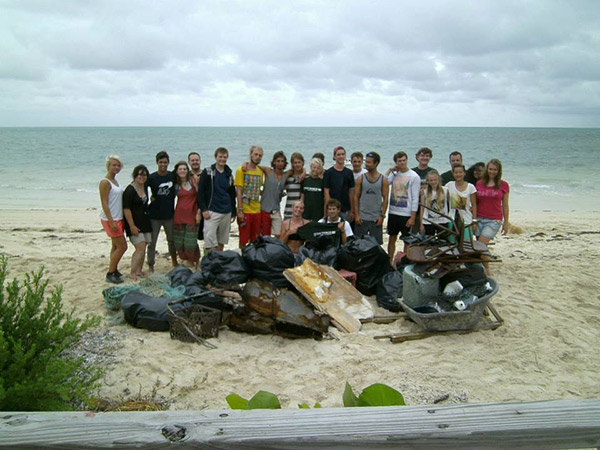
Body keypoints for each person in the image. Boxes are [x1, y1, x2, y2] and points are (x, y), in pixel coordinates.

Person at [198, 147, 237, 253]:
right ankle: (209, 262)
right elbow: (201, 192)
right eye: (220, 157)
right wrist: (203, 209)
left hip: (226, 211)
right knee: (209, 241)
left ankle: (219, 261)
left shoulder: (228, 174)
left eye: (224, 157)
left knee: (221, 240)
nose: (222, 159)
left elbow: (232, 194)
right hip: (212, 211)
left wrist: (234, 211)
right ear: (216, 157)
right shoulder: (208, 172)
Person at [476, 159, 510, 274]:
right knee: (479, 246)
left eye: (495, 170)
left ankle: (487, 270)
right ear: (487, 169)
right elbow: (475, 202)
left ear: (499, 171)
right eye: (490, 169)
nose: (492, 171)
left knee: (481, 244)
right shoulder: (480, 183)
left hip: (494, 220)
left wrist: (506, 223)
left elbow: (505, 205)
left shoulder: (504, 185)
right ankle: (481, 267)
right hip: (479, 218)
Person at [386, 151, 421, 260]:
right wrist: (390, 170)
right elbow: (384, 182)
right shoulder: (395, 176)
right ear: (396, 162)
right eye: (399, 161)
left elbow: (415, 197)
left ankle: (404, 262)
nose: (402, 163)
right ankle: (390, 261)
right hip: (393, 212)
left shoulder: (414, 176)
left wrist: (413, 216)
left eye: (403, 160)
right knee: (392, 238)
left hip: (406, 213)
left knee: (407, 241)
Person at [147, 151, 178, 272]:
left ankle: (174, 262)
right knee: (152, 242)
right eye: (161, 162)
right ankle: (150, 265)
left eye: (165, 162)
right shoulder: (152, 177)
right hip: (154, 215)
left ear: (168, 163)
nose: (163, 164)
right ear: (157, 163)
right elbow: (141, 188)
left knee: (172, 241)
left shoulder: (172, 176)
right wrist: (149, 199)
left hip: (169, 215)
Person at [99, 155, 127, 284]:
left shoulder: (115, 181)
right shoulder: (105, 182)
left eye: (118, 165)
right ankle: (110, 273)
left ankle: (114, 269)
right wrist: (111, 221)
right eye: (113, 165)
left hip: (118, 217)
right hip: (111, 219)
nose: (116, 167)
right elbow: (104, 203)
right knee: (122, 247)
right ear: (108, 166)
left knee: (115, 246)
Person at [122, 164, 152, 281]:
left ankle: (139, 270)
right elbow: (126, 209)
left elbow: (143, 205)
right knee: (139, 247)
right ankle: (132, 272)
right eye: (140, 174)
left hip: (144, 221)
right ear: (135, 175)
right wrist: (132, 226)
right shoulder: (129, 190)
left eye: (144, 175)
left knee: (144, 246)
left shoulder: (144, 188)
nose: (142, 177)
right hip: (133, 223)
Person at [354, 151, 389, 245]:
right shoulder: (360, 179)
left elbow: (385, 199)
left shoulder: (383, 180)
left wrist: (382, 216)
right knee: (359, 244)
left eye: (369, 162)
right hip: (362, 218)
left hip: (376, 219)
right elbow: (356, 197)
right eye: (366, 162)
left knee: (375, 246)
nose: (366, 164)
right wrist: (357, 215)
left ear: (376, 163)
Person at [235, 145, 264, 248]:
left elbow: (257, 189)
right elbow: (239, 191)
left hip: (257, 210)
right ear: (251, 154)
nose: (258, 157)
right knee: (243, 239)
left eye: (260, 155)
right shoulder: (241, 170)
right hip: (245, 210)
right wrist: (240, 210)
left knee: (255, 239)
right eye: (255, 154)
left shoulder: (260, 172)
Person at [172, 161, 200, 269]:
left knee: (191, 243)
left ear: (188, 171)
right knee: (179, 243)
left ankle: (196, 261)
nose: (182, 171)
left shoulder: (193, 181)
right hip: (179, 216)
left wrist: (199, 212)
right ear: (177, 171)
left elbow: (200, 197)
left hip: (192, 215)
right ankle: (189, 261)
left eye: (184, 169)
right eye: (180, 169)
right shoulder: (175, 184)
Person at [258, 151, 288, 239]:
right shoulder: (268, 171)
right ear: (274, 162)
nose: (280, 163)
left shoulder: (286, 175)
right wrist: (245, 164)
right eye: (278, 161)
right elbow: (254, 166)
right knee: (265, 236)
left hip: (276, 210)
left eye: (282, 161)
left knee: (279, 235)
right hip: (264, 209)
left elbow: (298, 170)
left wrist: (304, 171)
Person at [323, 146, 355, 222]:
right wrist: (328, 210)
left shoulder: (349, 173)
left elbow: (351, 192)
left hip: (345, 208)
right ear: (334, 156)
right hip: (332, 209)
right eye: (338, 154)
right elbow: (326, 193)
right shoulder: (329, 173)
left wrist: (352, 210)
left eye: (343, 154)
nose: (341, 156)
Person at [446, 164, 477, 238]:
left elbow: (474, 205)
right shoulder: (449, 185)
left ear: (464, 173)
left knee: (466, 243)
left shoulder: (471, 187)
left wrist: (474, 221)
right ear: (453, 174)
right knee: (452, 243)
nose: (458, 174)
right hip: (452, 219)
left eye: (460, 172)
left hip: (466, 220)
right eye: (456, 172)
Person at [419, 170, 450, 237]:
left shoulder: (446, 190)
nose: (433, 182)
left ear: (439, 179)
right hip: (428, 221)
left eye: (435, 180)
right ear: (428, 181)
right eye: (431, 180)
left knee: (443, 243)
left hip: (443, 221)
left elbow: (450, 205)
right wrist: (421, 223)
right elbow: (422, 208)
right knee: (429, 243)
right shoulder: (424, 192)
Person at [301, 158, 325, 222]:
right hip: (305, 214)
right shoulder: (305, 180)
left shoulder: (323, 182)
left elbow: (325, 198)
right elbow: (302, 197)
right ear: (311, 167)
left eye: (318, 168)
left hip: (318, 214)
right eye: (314, 167)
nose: (315, 170)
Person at [283, 152, 305, 219]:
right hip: (289, 212)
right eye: (295, 163)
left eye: (299, 162)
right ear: (292, 164)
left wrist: (304, 171)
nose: (297, 164)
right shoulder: (288, 177)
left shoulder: (306, 177)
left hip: (301, 213)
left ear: (303, 163)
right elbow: (279, 185)